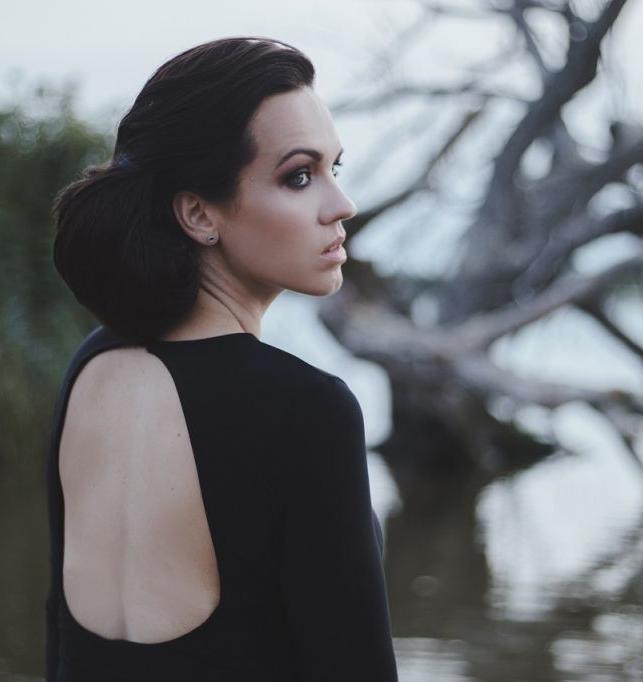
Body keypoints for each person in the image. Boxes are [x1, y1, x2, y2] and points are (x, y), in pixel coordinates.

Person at [46, 37, 398, 681]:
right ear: (198, 213)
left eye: (335, 169)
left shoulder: (93, 363)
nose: (341, 206)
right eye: (299, 176)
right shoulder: (307, 409)